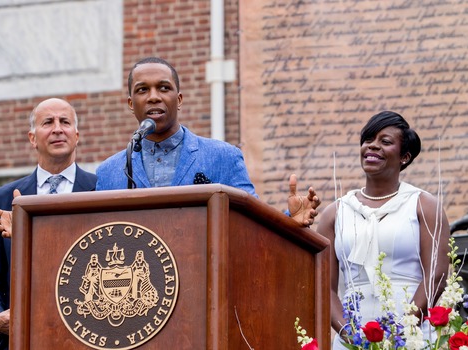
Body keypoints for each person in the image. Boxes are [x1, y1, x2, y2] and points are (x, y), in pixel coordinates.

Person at [96, 56, 319, 224]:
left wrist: (290, 219)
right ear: (130, 104)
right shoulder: (108, 172)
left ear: (179, 99)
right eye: (143, 90)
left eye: (164, 88)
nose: (154, 96)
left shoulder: (223, 157)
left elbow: (253, 222)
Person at [0, 98, 97, 350]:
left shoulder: (102, 190)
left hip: (89, 339)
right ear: (32, 137)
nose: (58, 128)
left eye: (65, 122)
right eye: (48, 122)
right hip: (23, 341)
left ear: (77, 135)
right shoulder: (5, 199)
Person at [316, 111, 450, 349]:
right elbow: (323, 287)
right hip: (354, 334)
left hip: (411, 332)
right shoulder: (335, 213)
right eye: (368, 140)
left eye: (385, 142)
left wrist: (404, 329)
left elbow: (436, 276)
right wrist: (350, 335)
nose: (373, 147)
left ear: (405, 157)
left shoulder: (423, 205)